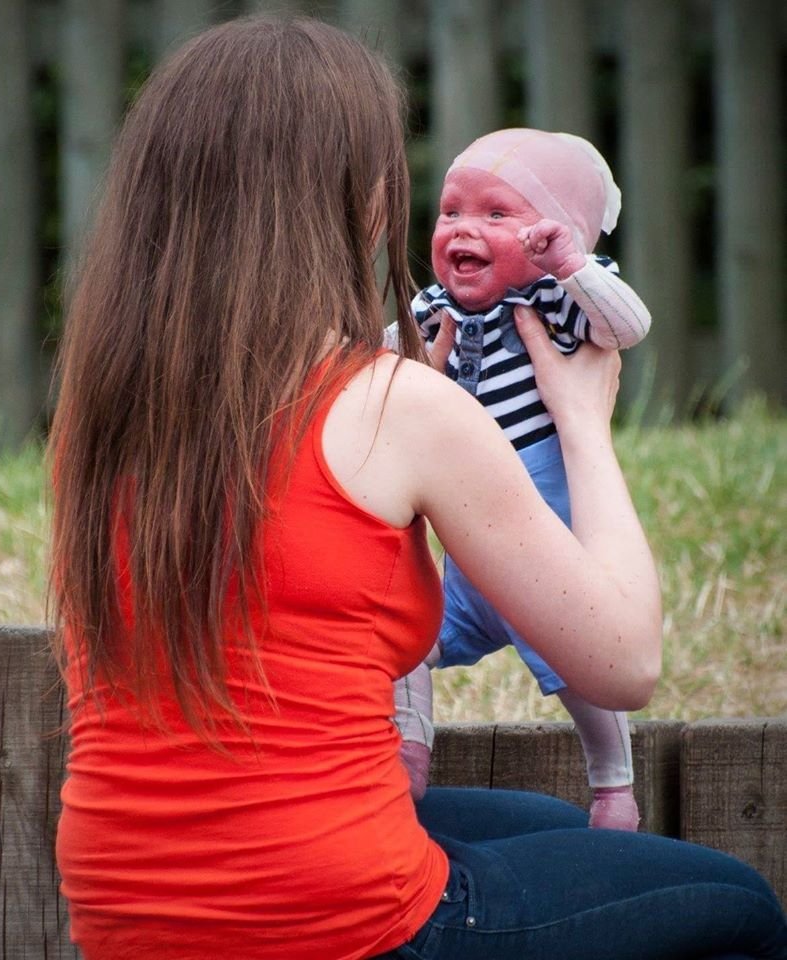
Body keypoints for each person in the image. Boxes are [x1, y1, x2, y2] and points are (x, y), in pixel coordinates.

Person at [47, 16, 787, 960]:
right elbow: (625, 662)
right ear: (357, 203)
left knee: (536, 822)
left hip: (129, 910)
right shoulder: (391, 401)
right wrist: (583, 428)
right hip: (334, 922)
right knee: (737, 903)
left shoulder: (102, 412)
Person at [389, 129, 651, 829]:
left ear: (555, 233)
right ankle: (406, 749)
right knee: (397, 636)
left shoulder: (560, 299)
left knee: (588, 678)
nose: (462, 229)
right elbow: (371, 362)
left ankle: (612, 789)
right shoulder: (430, 310)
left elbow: (626, 328)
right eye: (450, 212)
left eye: (495, 214)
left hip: (548, 553)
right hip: (466, 559)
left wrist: (571, 267)